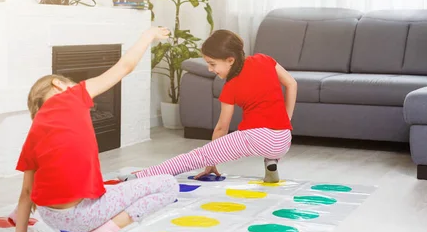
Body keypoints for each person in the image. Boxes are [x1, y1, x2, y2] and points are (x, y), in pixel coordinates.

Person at [12, 26, 179, 232]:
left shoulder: (33, 134)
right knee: (168, 185)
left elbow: (26, 192)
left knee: (108, 189)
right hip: (83, 216)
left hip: (53, 218)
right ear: (59, 85)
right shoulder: (73, 95)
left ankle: (90, 226)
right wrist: (148, 35)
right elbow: (125, 67)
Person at [120, 29, 297, 183]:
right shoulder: (265, 59)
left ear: (230, 60)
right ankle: (271, 162)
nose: (210, 69)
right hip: (283, 140)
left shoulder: (230, 86)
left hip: (257, 138)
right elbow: (291, 83)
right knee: (270, 143)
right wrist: (286, 119)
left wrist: (211, 160)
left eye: (213, 64)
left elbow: (222, 127)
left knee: (196, 156)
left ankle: (143, 176)